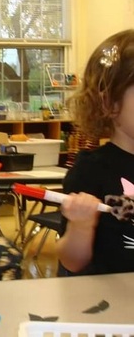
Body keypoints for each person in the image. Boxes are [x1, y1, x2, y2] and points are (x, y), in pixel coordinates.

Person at [57, 29, 134, 275]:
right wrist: (81, 226)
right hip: (109, 304)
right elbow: (72, 262)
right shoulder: (92, 169)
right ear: (108, 103)